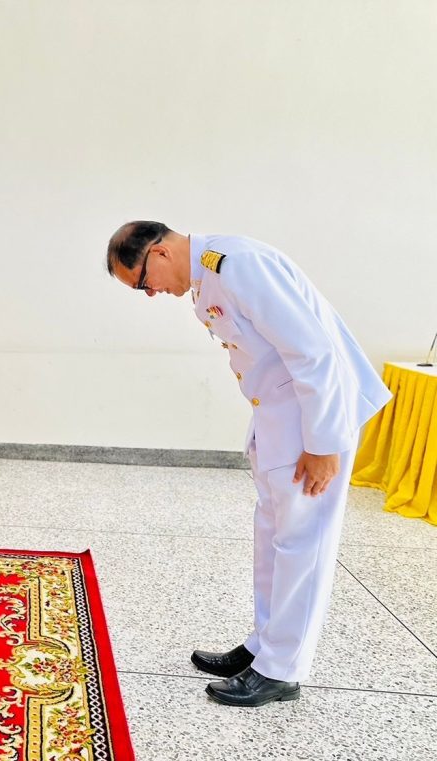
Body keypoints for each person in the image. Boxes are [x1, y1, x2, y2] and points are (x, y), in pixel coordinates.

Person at [105, 222, 391, 707]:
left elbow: (314, 351)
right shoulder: (209, 277)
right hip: (282, 418)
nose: (150, 293)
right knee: (273, 537)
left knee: (302, 543)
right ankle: (263, 646)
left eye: (141, 283)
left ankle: (281, 670)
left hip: (313, 422)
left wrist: (325, 443)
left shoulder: (237, 265)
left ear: (159, 253)